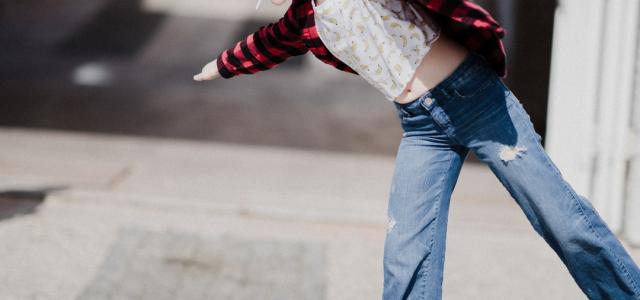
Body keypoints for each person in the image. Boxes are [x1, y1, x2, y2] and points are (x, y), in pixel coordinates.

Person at [193, 0, 640, 299]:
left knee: (560, 219)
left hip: (476, 100)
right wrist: (219, 65)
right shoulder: (304, 19)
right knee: (407, 249)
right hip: (422, 127)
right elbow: (268, 43)